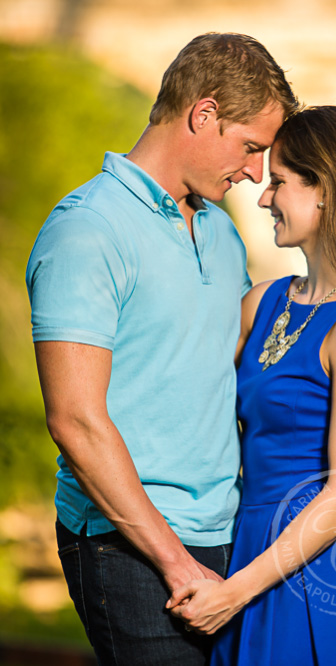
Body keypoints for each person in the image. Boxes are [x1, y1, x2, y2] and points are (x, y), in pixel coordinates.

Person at [25, 33, 298, 665]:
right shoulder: (88, 230)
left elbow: (229, 376)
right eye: (251, 147)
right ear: (203, 115)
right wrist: (175, 564)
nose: (256, 171)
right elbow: (74, 419)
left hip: (227, 537)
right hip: (130, 547)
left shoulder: (224, 234)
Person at [165, 106, 336, 666]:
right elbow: (187, 393)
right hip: (249, 544)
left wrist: (231, 594)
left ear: (327, 191)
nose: (262, 197)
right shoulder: (264, 302)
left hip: (322, 563)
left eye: (279, 182)